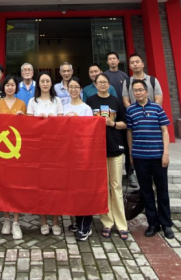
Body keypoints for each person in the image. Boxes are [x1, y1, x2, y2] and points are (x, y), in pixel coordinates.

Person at [126, 79, 174, 239]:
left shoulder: (157, 108)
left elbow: (165, 131)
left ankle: (166, 224)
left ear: (147, 91)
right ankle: (153, 223)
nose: (138, 92)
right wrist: (131, 154)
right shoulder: (130, 110)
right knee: (146, 192)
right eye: (135, 90)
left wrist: (165, 153)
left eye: (140, 90)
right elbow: (129, 132)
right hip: (140, 157)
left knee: (162, 192)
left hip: (158, 157)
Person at [85, 73, 129, 241]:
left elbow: (125, 123)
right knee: (104, 186)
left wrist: (113, 124)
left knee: (116, 186)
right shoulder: (90, 101)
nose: (102, 84)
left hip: (115, 146)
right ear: (95, 84)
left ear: (109, 84)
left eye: (105, 82)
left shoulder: (116, 101)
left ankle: (122, 224)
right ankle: (107, 222)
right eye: (99, 82)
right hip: (98, 149)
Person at [27, 71, 64, 235]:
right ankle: (43, 221)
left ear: (51, 83)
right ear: (38, 83)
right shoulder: (32, 101)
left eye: (48, 81)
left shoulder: (57, 101)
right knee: (40, 185)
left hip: (55, 148)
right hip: (38, 148)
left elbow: (62, 124)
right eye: (42, 81)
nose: (45, 84)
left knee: (55, 184)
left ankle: (55, 221)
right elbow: (28, 125)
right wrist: (38, 120)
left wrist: (52, 120)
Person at [0, 76, 27, 239]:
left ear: (16, 87)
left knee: (17, 185)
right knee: (3, 185)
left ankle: (16, 221)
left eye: (12, 85)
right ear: (4, 87)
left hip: (18, 150)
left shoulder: (22, 104)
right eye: (7, 85)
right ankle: (6, 218)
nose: (10, 87)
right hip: (2, 152)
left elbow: (28, 128)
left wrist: (23, 118)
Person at [63, 76, 95, 241]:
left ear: (81, 89)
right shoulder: (63, 107)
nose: (73, 89)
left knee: (84, 189)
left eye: (76, 87)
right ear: (67, 89)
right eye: (71, 87)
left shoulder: (86, 109)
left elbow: (89, 132)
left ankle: (86, 225)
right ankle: (78, 220)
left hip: (83, 154)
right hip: (68, 155)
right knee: (73, 189)